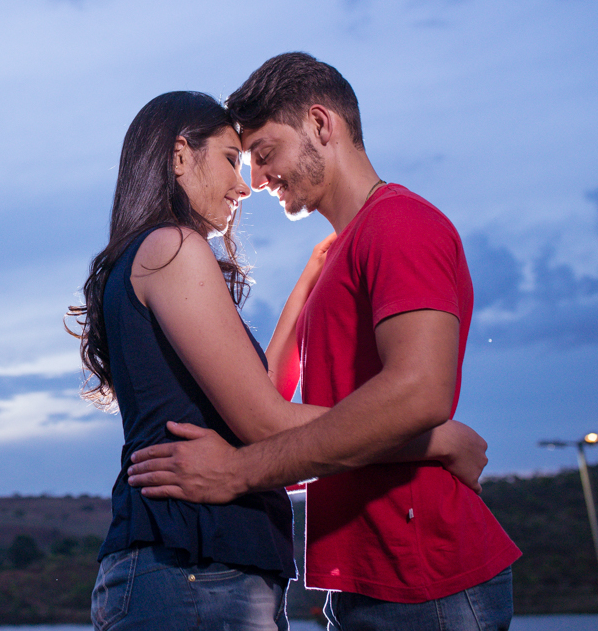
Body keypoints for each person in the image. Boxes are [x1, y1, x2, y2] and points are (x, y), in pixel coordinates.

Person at [125, 54, 521, 630]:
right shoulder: (343, 251)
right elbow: (269, 406)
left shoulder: (401, 224)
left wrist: (240, 472)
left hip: (427, 569)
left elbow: (420, 391)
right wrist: (311, 281)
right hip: (364, 577)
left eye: (263, 154)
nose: (256, 181)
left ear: (320, 124)